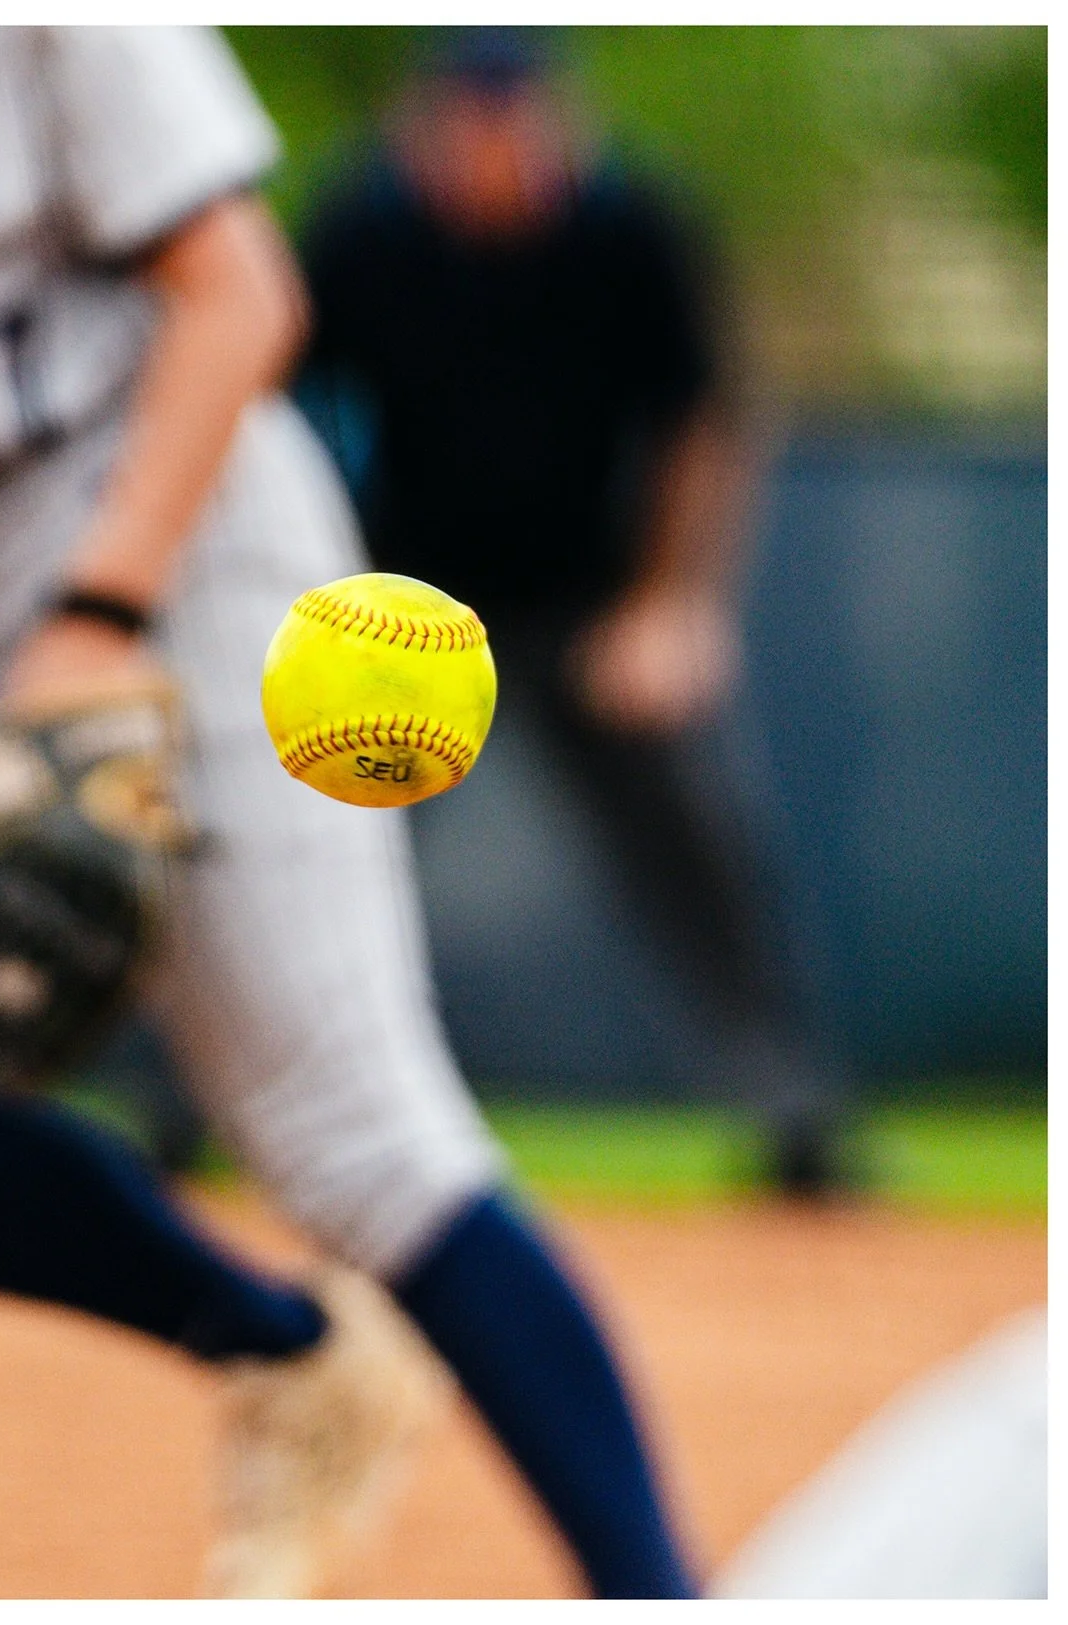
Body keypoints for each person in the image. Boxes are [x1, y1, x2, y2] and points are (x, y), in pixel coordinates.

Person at [0, 25, 695, 1599]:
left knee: (349, 1128)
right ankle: (286, 1351)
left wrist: (96, 613)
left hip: (166, 533)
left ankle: (660, 1593)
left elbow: (245, 292)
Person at [298, 26, 846, 1190]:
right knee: (302, 856)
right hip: (403, 606)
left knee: (701, 858)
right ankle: (199, 1110)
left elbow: (704, 420)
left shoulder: (629, 228)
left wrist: (675, 604)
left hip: (592, 603)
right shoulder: (361, 232)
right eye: (469, 115)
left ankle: (794, 1114)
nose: (494, 141)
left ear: (559, 118)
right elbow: (269, 401)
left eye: (516, 113)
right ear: (424, 123)